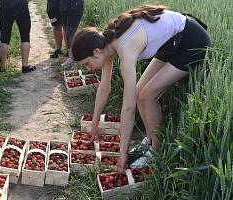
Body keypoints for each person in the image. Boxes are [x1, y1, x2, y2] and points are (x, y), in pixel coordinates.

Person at [71, 4, 211, 172]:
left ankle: (156, 152)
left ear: (96, 52)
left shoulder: (125, 49)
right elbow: (104, 88)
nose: (88, 68)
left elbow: (128, 107)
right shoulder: (107, 46)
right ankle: (151, 140)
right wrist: (94, 123)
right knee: (139, 93)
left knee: (146, 96)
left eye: (87, 63)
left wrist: (122, 154)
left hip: (191, 41)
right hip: (170, 43)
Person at [0, 0, 36, 73]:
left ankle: (2, 67)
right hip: (20, 4)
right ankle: (25, 66)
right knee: (25, 36)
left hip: (4, 5)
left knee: (4, 38)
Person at [60, 0, 84, 68]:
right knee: (66, 31)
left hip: (75, 5)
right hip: (64, 4)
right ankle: (70, 56)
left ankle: (75, 58)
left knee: (70, 33)